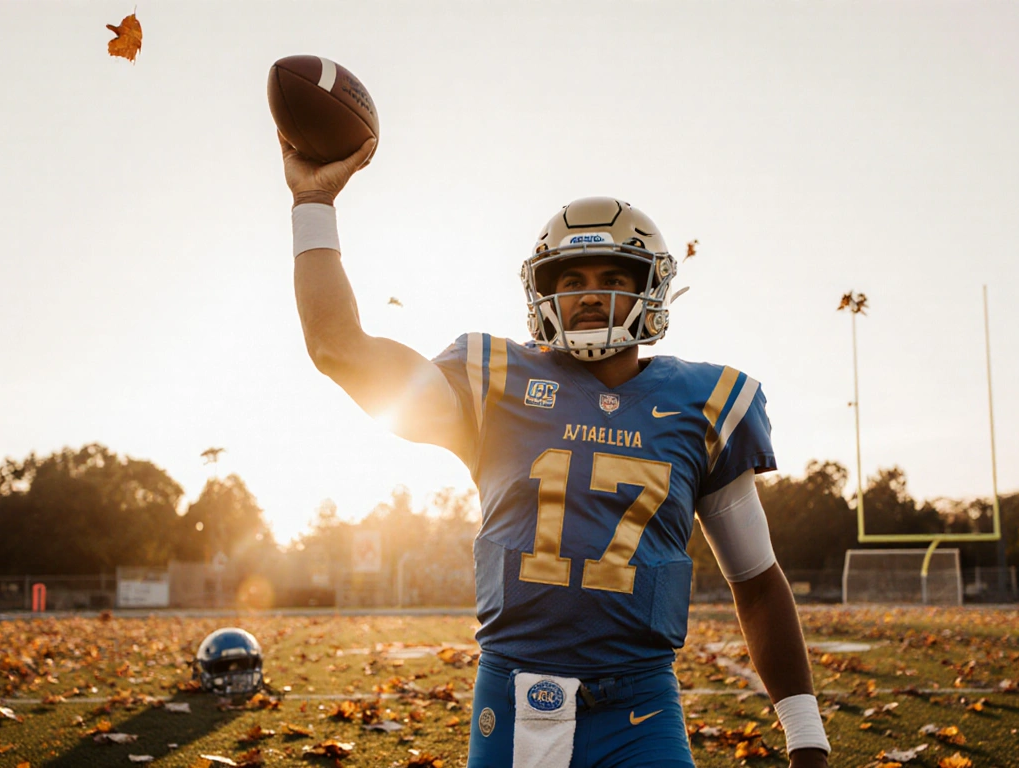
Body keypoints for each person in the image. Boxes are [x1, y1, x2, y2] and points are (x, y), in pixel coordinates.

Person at [280, 134, 831, 768]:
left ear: (651, 288)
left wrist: (806, 734)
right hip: (513, 700)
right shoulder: (493, 381)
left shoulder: (702, 403)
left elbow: (756, 582)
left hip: (642, 708)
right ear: (544, 294)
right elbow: (337, 348)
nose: (592, 294)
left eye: (613, 277)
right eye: (572, 278)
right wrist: (314, 200)